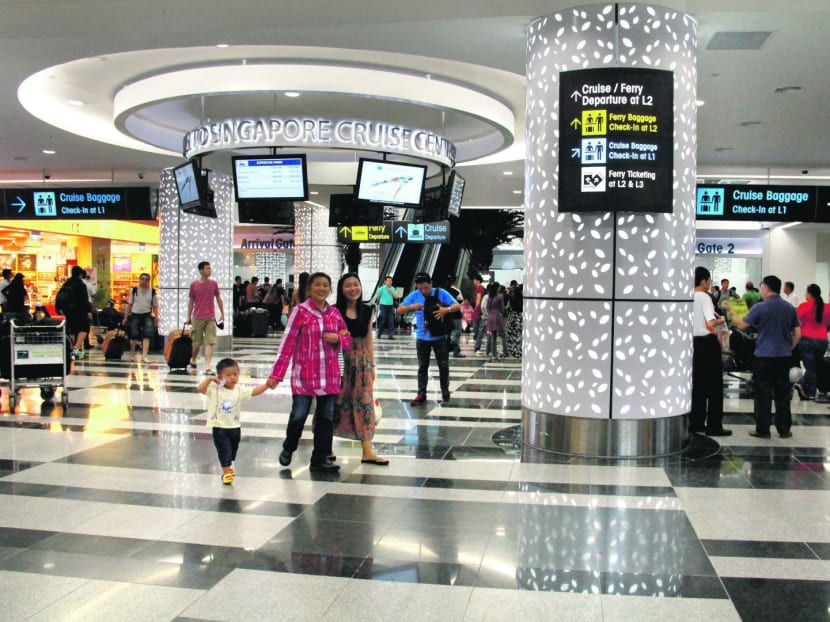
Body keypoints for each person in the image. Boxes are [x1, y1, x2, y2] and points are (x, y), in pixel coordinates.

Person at [266, 272, 350, 473]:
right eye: (317, 285)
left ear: (330, 289)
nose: (322, 289)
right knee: (299, 415)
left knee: (326, 418)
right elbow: (287, 344)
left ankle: (320, 458)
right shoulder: (300, 312)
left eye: (325, 285)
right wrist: (276, 375)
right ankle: (289, 446)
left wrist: (338, 338)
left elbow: (347, 339)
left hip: (329, 375)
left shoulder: (334, 313)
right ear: (309, 289)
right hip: (304, 375)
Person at [727, 275, 801, 439]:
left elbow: (742, 326)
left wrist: (731, 312)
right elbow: (798, 333)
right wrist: (790, 346)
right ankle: (784, 429)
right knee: (782, 393)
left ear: (766, 288)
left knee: (762, 393)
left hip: (764, 356)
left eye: (761, 288)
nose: (760, 291)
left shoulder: (760, 307)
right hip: (783, 356)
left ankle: (763, 429)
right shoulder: (789, 308)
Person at [334, 273, 388, 464]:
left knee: (365, 405)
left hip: (362, 362)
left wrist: (372, 365)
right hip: (339, 362)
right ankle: (323, 448)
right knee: (333, 404)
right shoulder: (334, 311)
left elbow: (368, 339)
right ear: (341, 289)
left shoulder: (367, 309)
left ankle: (367, 450)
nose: (353, 288)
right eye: (348, 285)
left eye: (356, 284)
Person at [197, 357, 269, 484]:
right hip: (219, 427)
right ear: (220, 376)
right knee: (224, 450)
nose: (233, 378)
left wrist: (267, 385)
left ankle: (228, 465)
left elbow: (253, 392)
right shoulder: (215, 390)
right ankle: (227, 473)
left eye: (235, 374)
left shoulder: (239, 390)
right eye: (228, 375)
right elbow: (201, 389)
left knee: (233, 450)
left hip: (235, 427)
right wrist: (209, 379)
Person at [397, 272, 461, 404]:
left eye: (425, 288)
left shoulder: (440, 292)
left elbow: (457, 306)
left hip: (439, 337)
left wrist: (446, 309)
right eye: (420, 288)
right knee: (422, 367)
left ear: (431, 284)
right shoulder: (415, 295)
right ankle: (421, 394)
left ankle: (445, 391)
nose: (423, 291)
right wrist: (411, 307)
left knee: (443, 366)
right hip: (421, 338)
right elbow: (399, 309)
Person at [691, 267, 731, 436]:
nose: (709, 284)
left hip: (693, 345)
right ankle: (714, 425)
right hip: (708, 344)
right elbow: (711, 322)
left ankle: (696, 423)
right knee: (714, 387)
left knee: (698, 386)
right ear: (703, 281)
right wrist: (722, 318)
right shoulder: (705, 297)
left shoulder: (688, 296)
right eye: (709, 280)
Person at [187, 261, 225, 374]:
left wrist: (222, 313)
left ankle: (207, 366)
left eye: (210, 268)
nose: (210, 270)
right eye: (207, 268)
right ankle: (193, 358)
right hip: (197, 317)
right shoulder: (194, 285)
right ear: (201, 270)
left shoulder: (214, 284)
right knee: (196, 343)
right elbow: (191, 301)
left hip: (210, 318)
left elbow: (218, 298)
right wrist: (188, 316)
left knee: (210, 342)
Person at [795, 284, 828, 400]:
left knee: (810, 367)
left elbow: (797, 323)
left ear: (809, 293)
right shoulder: (827, 307)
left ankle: (807, 388)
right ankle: (809, 391)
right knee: (815, 367)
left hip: (806, 340)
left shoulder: (803, 306)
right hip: (822, 340)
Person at [122, 272, 159, 363]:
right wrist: (125, 317)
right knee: (133, 335)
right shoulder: (134, 290)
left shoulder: (152, 292)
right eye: (142, 279)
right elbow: (130, 304)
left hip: (147, 314)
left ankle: (144, 355)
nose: (144, 281)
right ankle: (132, 353)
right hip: (135, 314)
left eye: (146, 279)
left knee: (147, 334)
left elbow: (155, 306)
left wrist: (156, 317)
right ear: (139, 279)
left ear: (149, 281)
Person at [59, 266, 95, 359]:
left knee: (72, 329)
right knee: (84, 328)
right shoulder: (81, 284)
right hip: (80, 311)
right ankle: (76, 348)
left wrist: (60, 309)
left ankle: (72, 349)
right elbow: (84, 299)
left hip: (68, 311)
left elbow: (60, 297)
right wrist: (88, 311)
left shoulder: (66, 284)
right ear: (80, 274)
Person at [486, 283, 508, 358]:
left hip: (491, 317)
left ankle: (493, 353)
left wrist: (490, 314)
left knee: (493, 336)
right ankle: (506, 352)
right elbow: (502, 308)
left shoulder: (490, 296)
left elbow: (487, 307)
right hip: (498, 317)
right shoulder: (500, 297)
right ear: (497, 288)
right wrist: (502, 313)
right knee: (503, 335)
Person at [445, 276, 464, 357]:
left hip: (446, 314)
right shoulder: (456, 291)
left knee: (447, 333)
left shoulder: (443, 291)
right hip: (455, 314)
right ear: (454, 282)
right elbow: (461, 301)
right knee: (457, 332)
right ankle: (456, 351)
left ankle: (445, 349)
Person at [373, 275, 397, 340]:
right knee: (383, 320)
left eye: (390, 281)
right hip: (383, 306)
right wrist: (382, 300)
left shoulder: (393, 288)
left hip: (391, 306)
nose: (389, 282)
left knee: (391, 321)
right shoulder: (381, 288)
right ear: (385, 281)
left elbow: (396, 297)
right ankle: (379, 334)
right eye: (388, 280)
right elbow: (377, 297)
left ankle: (390, 335)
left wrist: (391, 292)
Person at [471, 274, 486, 355]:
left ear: (478, 280)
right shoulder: (482, 288)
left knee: (477, 330)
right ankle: (477, 347)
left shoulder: (479, 288)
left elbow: (478, 300)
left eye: (474, 280)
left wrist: (475, 310)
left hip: (478, 311)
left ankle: (477, 347)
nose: (473, 281)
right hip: (481, 311)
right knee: (479, 330)